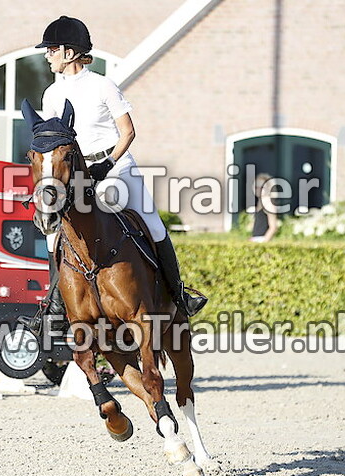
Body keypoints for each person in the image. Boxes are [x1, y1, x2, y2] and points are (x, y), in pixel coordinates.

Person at [20, 16, 208, 335]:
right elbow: (53, 143)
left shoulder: (102, 85)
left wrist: (106, 164)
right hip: (76, 175)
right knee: (57, 232)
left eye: (51, 49)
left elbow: (128, 132)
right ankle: (53, 308)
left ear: (69, 52)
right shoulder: (51, 94)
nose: (46, 55)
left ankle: (179, 295)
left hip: (115, 168)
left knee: (153, 225)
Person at [249, 173, 279, 243]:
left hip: (262, 240)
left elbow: (273, 227)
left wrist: (264, 241)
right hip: (256, 239)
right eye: (256, 187)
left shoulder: (269, 204)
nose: (258, 190)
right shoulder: (260, 203)